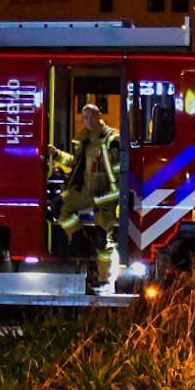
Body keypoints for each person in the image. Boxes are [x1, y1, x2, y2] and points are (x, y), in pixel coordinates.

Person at [48, 102, 121, 291]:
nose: (87, 121)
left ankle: (104, 280)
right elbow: (75, 164)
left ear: (98, 117)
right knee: (59, 207)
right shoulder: (86, 140)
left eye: (90, 117)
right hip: (86, 192)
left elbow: (119, 174)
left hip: (106, 196)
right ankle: (79, 240)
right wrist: (56, 155)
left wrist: (111, 197)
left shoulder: (112, 139)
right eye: (85, 118)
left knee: (103, 240)